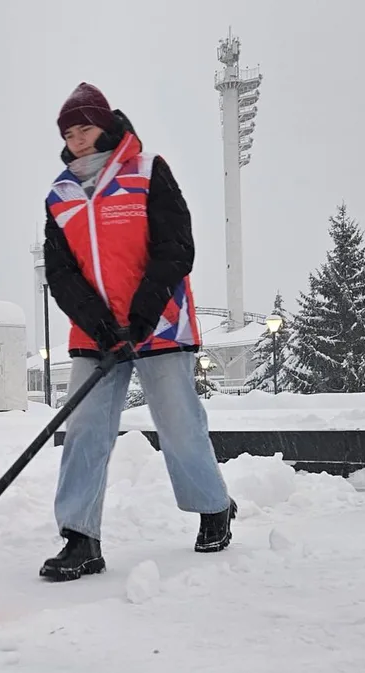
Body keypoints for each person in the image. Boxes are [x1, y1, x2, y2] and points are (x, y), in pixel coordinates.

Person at [39, 83, 237, 582]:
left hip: (160, 325)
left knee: (178, 423)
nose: (77, 139)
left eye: (84, 128)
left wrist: (142, 315)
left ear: (105, 125)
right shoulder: (60, 195)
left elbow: (176, 246)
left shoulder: (148, 172)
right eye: (68, 133)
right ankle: (80, 538)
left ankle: (214, 507)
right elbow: (61, 273)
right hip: (96, 334)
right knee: (84, 431)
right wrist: (100, 323)